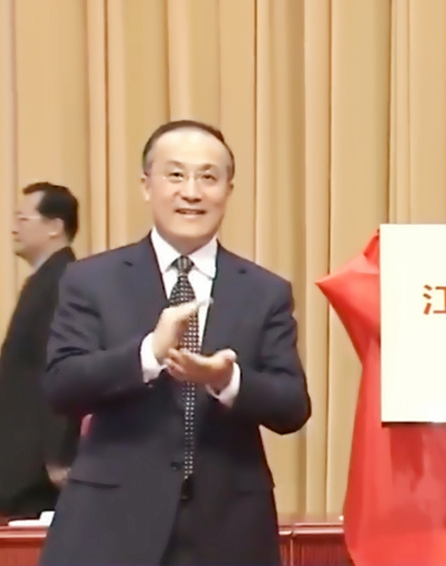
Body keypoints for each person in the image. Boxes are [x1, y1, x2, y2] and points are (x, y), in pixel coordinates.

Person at [39, 120, 311, 566]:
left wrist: (228, 381)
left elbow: (292, 406)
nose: (192, 192)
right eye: (176, 175)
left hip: (228, 530)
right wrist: (148, 354)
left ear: (228, 190)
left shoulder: (265, 291)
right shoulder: (91, 280)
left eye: (208, 177)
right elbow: (62, 386)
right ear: (147, 185)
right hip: (110, 526)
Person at [0, 183, 82, 519]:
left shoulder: (64, 281)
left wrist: (59, 453)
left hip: (37, 469)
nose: (13, 228)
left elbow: (60, 368)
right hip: (23, 459)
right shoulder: (46, 279)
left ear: (54, 226)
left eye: (22, 219)